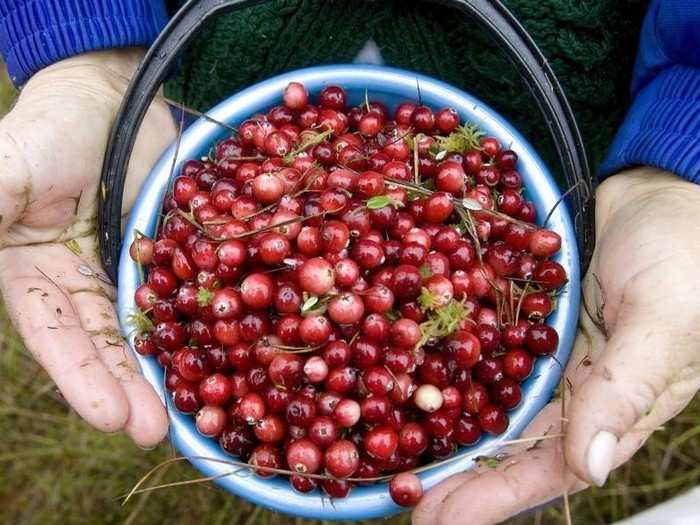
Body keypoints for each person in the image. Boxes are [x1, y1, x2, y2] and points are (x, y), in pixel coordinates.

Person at [0, 1, 698, 524]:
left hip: (566, 104)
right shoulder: (266, 243)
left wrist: (680, 156)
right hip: (213, 92)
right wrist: (86, 50)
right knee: (219, 180)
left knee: (495, 452)